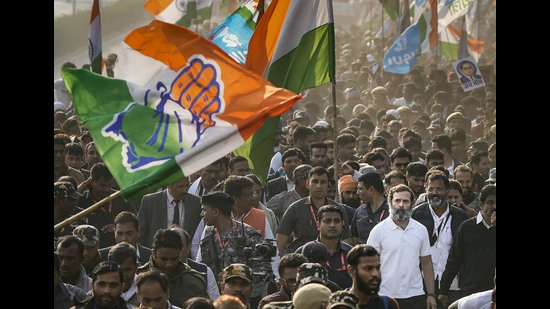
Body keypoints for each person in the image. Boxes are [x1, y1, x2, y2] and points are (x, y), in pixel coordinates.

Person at [366, 184, 437, 309]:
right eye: (397, 201)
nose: (401, 205)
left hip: (416, 296)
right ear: (390, 203)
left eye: (405, 201)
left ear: (412, 204)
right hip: (385, 295)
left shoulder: (421, 230)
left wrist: (431, 294)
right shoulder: (378, 231)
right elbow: (368, 265)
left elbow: (426, 263)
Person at [411, 171, 470, 307]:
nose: (434, 193)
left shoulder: (461, 217)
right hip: (422, 282)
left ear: (447, 190)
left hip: (452, 283)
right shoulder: (416, 214)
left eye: (439, 189)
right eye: (430, 189)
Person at [437, 184, 496, 306]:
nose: (494, 207)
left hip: (493, 293)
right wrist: (444, 289)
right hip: (471, 291)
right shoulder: (467, 227)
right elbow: (454, 260)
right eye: (490, 203)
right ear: (481, 205)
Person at [276, 166, 352, 255]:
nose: (319, 186)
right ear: (307, 184)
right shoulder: (295, 208)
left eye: (323, 182)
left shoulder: (338, 209)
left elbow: (346, 241)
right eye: (315, 181)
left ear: (328, 186)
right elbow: (280, 243)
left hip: (331, 260)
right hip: (301, 260)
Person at [196, 191, 266, 282]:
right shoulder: (208, 233)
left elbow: (260, 268)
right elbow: (202, 263)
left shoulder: (248, 233)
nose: (201, 214)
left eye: (204, 210)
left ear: (216, 211)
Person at [137, 228, 209, 307]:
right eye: (164, 259)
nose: (169, 264)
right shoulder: (137, 278)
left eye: (173, 259)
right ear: (154, 253)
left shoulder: (193, 283)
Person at [78, 163, 136, 248]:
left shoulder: (120, 197)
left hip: (118, 247)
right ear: (92, 182)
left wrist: (117, 228)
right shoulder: (83, 200)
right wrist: (83, 185)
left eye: (109, 185)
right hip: (90, 249)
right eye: (103, 186)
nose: (107, 189)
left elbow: (134, 221)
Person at [296, 205, 353, 289]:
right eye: (327, 221)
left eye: (337, 221)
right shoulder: (303, 252)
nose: (332, 225)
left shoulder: (351, 253)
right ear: (318, 224)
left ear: (343, 224)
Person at [138, 176, 202, 249]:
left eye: (187, 185)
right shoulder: (150, 202)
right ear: (168, 185)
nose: (185, 190)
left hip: (185, 256)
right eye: (180, 187)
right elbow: (141, 234)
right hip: (157, 254)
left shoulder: (196, 203)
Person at [171, 226, 220, 300]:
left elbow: (214, 303)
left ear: (188, 248)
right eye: (171, 245)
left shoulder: (204, 272)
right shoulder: (152, 270)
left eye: (179, 246)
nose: (174, 250)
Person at [346, 244, 399, 309]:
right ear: (351, 271)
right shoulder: (339, 305)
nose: (375, 274)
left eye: (378, 268)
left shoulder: (388, 304)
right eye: (368, 268)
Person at [54, 181, 96, 250]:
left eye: (76, 199)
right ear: (57, 200)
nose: (76, 202)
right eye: (71, 199)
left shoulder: (86, 218)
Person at [350, 173, 389, 245]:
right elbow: (355, 237)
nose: (357, 193)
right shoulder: (360, 211)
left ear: (371, 189)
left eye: (360, 189)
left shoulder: (392, 211)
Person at [107, 242, 141, 307]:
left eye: (128, 270)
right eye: (119, 270)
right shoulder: (100, 293)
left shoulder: (146, 291)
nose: (124, 276)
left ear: (136, 267)